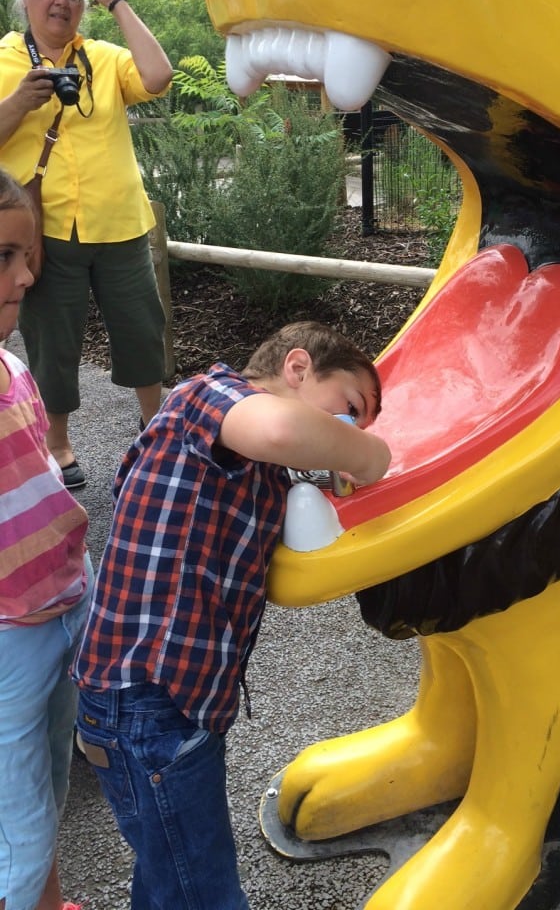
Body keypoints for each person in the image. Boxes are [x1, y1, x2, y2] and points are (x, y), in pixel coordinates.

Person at [72, 320, 391, 909]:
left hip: (158, 705)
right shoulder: (209, 396)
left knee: (170, 875)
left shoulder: (236, 456)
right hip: (149, 702)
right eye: (348, 409)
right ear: (297, 369)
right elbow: (278, 427)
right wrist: (373, 452)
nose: (347, 430)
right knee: (204, 893)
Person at [0, 0, 174, 491]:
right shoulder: (3, 60)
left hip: (119, 222)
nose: (62, 2)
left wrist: (117, 0)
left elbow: (158, 76)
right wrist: (18, 104)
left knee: (142, 332)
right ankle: (57, 441)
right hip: (46, 230)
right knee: (53, 340)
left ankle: (156, 426)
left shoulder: (100, 56)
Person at [0, 167, 93, 910]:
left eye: (26, 254)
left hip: (61, 605)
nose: (28, 274)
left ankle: (49, 901)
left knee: (48, 785)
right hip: (6, 638)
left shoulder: (13, 367)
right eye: (4, 255)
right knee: (15, 830)